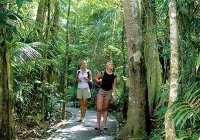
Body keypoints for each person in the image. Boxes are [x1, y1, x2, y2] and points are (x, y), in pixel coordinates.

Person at [95, 61, 117, 130]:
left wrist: (115, 96)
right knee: (99, 109)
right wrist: (98, 80)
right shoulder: (102, 73)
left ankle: (104, 123)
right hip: (101, 91)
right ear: (107, 66)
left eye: (112, 64)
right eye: (110, 64)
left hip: (109, 92)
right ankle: (98, 124)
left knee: (106, 108)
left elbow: (114, 86)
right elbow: (96, 78)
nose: (112, 65)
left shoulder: (114, 76)